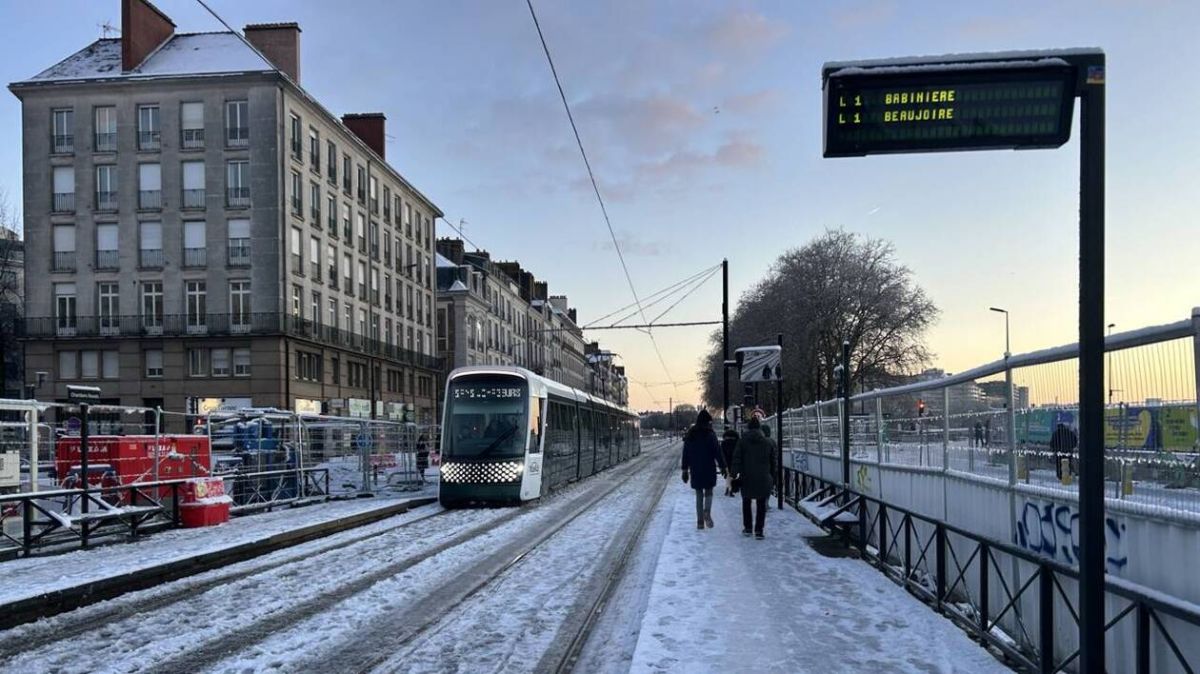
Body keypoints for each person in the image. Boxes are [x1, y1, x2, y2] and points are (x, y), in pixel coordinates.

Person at [733, 412, 776, 539]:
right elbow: (773, 461)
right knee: (761, 504)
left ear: (748, 428)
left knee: (746, 502)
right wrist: (773, 476)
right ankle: (759, 530)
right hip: (763, 477)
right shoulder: (767, 443)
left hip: (746, 477)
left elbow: (737, 459)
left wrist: (733, 475)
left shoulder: (742, 442)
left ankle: (747, 528)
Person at [681, 409, 725, 530]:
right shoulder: (711, 434)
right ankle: (707, 511)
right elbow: (717, 452)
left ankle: (700, 522)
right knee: (709, 491)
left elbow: (686, 453)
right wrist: (723, 466)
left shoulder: (691, 434)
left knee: (699, 493)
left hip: (695, 468)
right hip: (708, 467)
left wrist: (685, 470)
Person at [720, 428, 739, 496]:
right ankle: (730, 489)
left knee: (728, 475)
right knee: (732, 476)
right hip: (734, 461)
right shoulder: (737, 442)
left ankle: (728, 488)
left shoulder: (724, 443)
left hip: (726, 461)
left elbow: (721, 453)